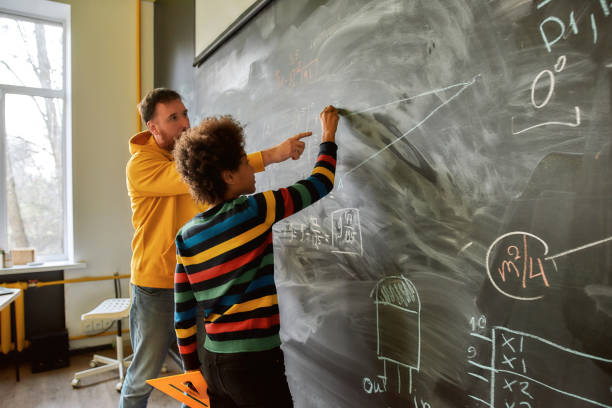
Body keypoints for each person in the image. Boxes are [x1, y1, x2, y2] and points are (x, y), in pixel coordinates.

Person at [122, 88, 309, 408]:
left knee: (199, 376)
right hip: (155, 284)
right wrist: (271, 155)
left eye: (184, 114)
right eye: (173, 117)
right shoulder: (141, 165)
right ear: (153, 127)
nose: (184, 123)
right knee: (143, 374)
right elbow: (188, 175)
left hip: (195, 282)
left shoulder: (189, 154)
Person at [173, 105, 339, 407]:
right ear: (228, 176)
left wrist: (192, 372)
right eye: (244, 163)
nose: (251, 168)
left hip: (212, 363)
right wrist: (328, 135)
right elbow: (320, 183)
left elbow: (183, 318)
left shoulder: (186, 235)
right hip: (254, 364)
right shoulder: (254, 210)